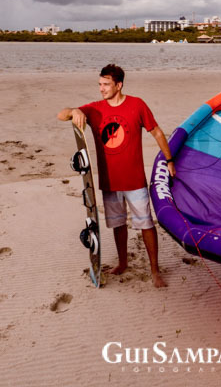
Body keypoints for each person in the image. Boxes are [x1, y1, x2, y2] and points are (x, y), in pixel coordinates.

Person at [58, 63, 174, 288]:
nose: (101, 88)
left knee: (146, 224)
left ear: (118, 85)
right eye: (99, 84)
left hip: (134, 180)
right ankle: (123, 263)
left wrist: (170, 160)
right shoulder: (94, 109)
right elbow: (61, 114)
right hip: (110, 181)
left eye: (106, 84)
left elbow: (157, 132)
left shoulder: (137, 105)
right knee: (118, 224)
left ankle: (155, 270)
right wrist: (75, 111)